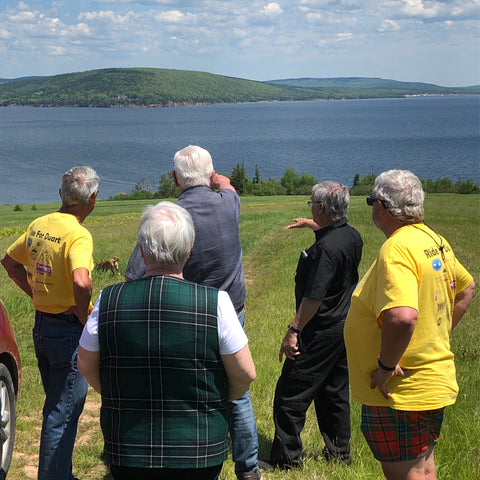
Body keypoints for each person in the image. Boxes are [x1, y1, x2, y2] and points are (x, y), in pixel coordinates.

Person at [77, 201, 256, 480]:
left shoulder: (108, 300)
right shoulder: (216, 303)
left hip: (129, 448)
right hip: (200, 449)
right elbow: (245, 373)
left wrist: (117, 395)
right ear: (189, 249)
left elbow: (86, 365)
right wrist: (217, 400)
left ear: (142, 251)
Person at [125, 145, 260, 480]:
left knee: (184, 389)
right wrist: (217, 179)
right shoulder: (229, 204)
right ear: (210, 174)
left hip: (184, 315)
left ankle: (179, 452)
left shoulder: (169, 218)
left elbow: (134, 273)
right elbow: (229, 185)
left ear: (174, 178)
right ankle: (248, 468)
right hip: (232, 310)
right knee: (237, 393)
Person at [344, 170, 475, 480]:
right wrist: (435, 337)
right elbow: (466, 289)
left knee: (408, 472)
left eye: (371, 202)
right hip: (428, 381)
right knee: (422, 466)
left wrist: (386, 366)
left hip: (400, 391)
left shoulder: (398, 248)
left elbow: (402, 316)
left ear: (381, 207)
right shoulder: (434, 240)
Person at [1, 166, 99, 480]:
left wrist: (37, 294)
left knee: (57, 406)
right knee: (63, 414)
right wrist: (82, 314)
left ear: (61, 193)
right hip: (67, 332)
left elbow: (9, 261)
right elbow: (82, 282)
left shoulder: (39, 224)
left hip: (42, 327)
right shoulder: (78, 234)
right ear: (93, 200)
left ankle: (60, 473)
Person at [265, 181, 363, 469]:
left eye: (311, 204)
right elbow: (333, 235)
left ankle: (286, 460)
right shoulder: (350, 235)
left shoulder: (325, 251)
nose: (310, 207)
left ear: (321, 207)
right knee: (334, 392)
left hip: (318, 330)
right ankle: (339, 454)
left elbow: (314, 297)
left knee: (291, 393)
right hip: (342, 327)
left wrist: (294, 331)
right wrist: (313, 224)